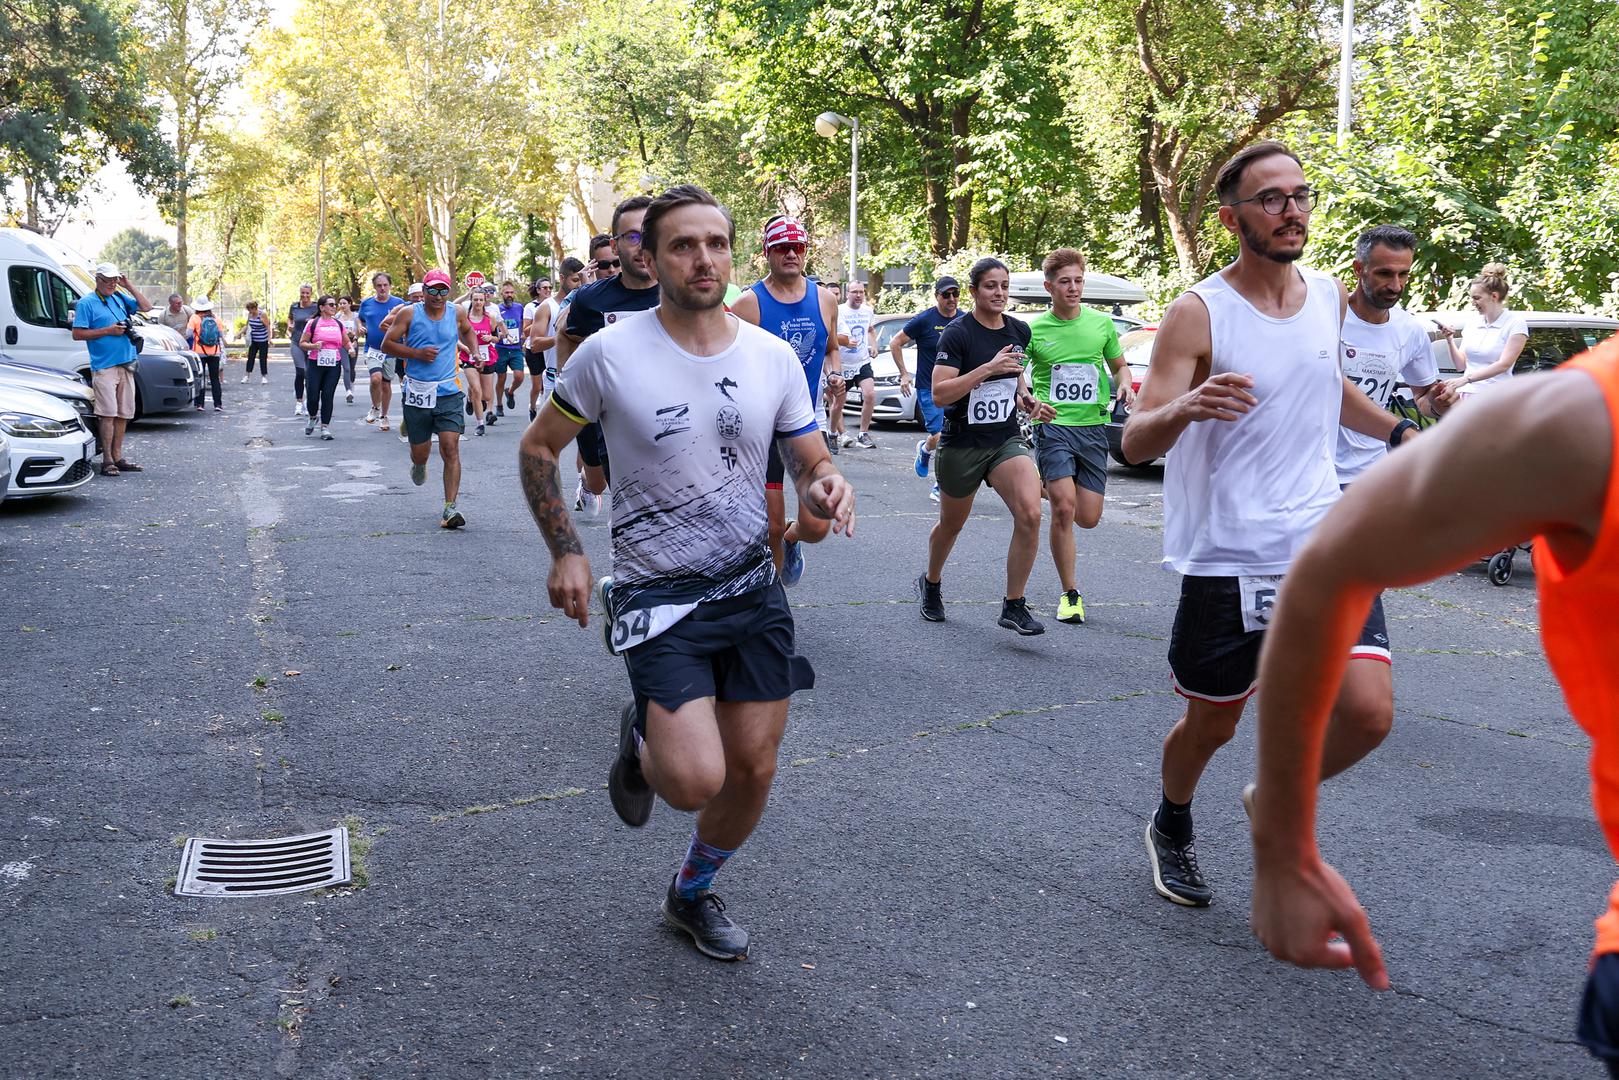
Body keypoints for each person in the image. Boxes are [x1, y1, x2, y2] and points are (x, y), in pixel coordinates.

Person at [1247, 337, 1619, 1076]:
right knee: (1345, 712)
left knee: (1368, 713)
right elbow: (1330, 562)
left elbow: (1418, 392)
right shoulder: (1585, 418)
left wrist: (1417, 416)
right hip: (1269, 524)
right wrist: (1282, 843)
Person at [518, 184, 854, 961]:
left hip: (750, 586)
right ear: (651, 255)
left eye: (715, 243)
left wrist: (826, 486)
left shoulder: (769, 356)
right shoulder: (610, 352)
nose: (702, 258)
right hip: (655, 594)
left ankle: (691, 893)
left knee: (754, 768)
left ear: (731, 254)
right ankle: (642, 741)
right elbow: (539, 447)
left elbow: (809, 457)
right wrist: (566, 549)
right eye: (681, 245)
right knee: (692, 782)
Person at [1119, 141, 1419, 908]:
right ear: (1232, 218)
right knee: (1210, 728)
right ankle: (1171, 822)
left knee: (1368, 712)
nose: (1292, 211)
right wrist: (1184, 407)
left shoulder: (1323, 293)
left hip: (1323, 538)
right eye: (1272, 199)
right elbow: (1135, 437)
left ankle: (1276, 795)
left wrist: (1395, 433)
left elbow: (1327, 382)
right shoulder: (1198, 312)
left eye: (1300, 196)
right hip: (1230, 556)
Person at [916, 257, 1048, 635]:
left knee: (1030, 512)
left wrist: (1028, 400)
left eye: (1004, 286)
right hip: (963, 442)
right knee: (951, 524)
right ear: (974, 291)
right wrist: (986, 369)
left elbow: (1016, 377)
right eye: (991, 286)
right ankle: (932, 581)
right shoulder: (957, 334)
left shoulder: (1019, 330)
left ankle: (1014, 604)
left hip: (1004, 439)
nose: (1000, 293)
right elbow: (941, 394)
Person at [731, 215, 842, 585]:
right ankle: (773, 603)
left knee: (817, 522)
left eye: (798, 247)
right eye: (782, 247)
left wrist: (835, 373)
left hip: (807, 422)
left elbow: (830, 348)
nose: (791, 254)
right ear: (767, 253)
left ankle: (796, 540)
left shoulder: (825, 299)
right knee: (771, 526)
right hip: (763, 426)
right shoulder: (748, 304)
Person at [1023, 249, 1133, 624]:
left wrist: (1126, 385)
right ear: (1049, 287)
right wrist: (1030, 400)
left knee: (1088, 517)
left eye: (1078, 281)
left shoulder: (1101, 325)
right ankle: (1071, 594)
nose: (1073, 288)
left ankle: (1034, 483)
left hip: (1092, 429)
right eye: (1065, 282)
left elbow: (1120, 367)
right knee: (1064, 509)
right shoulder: (1033, 330)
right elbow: (1015, 375)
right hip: (1053, 427)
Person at [554, 197, 659, 511]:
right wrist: (568, 386)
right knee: (599, 484)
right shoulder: (590, 299)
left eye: (650, 234)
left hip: (674, 425)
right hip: (611, 421)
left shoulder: (683, 291)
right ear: (616, 245)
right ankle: (587, 482)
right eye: (632, 237)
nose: (642, 246)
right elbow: (566, 335)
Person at [1336, 225, 1453, 487]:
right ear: (1359, 269)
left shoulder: (1410, 330)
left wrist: (1437, 402)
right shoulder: (1329, 316)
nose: (1395, 285)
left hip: (1370, 473)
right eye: (1384, 274)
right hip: (1316, 473)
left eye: (1404, 275)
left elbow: (1423, 398)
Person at [381, 269, 479, 528]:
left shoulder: (456, 312)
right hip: (418, 392)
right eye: (432, 290)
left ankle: (450, 509)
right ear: (423, 291)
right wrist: (416, 353)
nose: (437, 295)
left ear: (449, 292)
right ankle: (418, 463)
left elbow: (468, 331)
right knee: (420, 453)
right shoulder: (409, 314)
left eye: (443, 290)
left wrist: (476, 351)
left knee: (450, 447)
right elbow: (387, 344)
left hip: (449, 391)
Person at [70, 263, 151, 476]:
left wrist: (128, 286)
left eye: (115, 280)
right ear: (98, 280)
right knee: (107, 414)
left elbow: (146, 307)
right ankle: (107, 460)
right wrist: (109, 331)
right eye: (108, 280)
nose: (112, 284)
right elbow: (77, 333)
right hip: (104, 366)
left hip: (127, 364)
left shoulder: (118, 297)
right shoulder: (86, 303)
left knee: (124, 414)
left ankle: (118, 457)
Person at [890, 276, 962, 502]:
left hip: (957, 388)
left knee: (952, 436)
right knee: (942, 436)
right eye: (946, 294)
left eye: (955, 294)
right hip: (928, 388)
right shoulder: (924, 320)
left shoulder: (965, 320)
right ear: (937, 296)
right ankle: (941, 485)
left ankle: (924, 449)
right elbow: (895, 342)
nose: (951, 299)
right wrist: (903, 374)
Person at [1439, 262, 1529, 400]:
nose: (1473, 303)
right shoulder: (1473, 322)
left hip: (1496, 396)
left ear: (1494, 296)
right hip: (1467, 394)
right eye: (1472, 298)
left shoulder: (1515, 323)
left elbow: (1504, 365)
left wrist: (1466, 379)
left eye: (1477, 298)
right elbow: (1460, 365)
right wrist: (1450, 340)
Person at [526, 258, 583, 420]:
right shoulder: (546, 307)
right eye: (575, 280)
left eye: (581, 280)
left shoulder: (586, 304)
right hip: (554, 379)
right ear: (562, 278)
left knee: (588, 441)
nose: (579, 285)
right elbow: (535, 344)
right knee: (550, 438)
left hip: (582, 378)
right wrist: (562, 337)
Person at [828, 281, 878, 448]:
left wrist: (874, 346)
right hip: (842, 364)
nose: (858, 295)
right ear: (847, 293)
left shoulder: (867, 311)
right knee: (838, 404)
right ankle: (833, 433)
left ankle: (863, 434)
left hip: (862, 361)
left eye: (861, 292)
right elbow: (830, 335)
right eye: (855, 292)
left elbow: (870, 329)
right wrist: (844, 342)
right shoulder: (839, 310)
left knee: (870, 394)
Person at [299, 295, 352, 439]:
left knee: (328, 395)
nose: (334, 307)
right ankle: (312, 417)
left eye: (335, 304)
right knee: (312, 394)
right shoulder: (312, 323)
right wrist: (314, 346)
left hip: (333, 364)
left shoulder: (338, 324)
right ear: (322, 307)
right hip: (315, 363)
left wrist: (351, 349)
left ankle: (325, 428)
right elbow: (302, 343)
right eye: (330, 304)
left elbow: (346, 342)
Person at [358, 272, 404, 431]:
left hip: (391, 349)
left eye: (385, 285)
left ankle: (384, 416)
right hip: (372, 349)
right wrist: (359, 326)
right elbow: (360, 318)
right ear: (374, 287)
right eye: (379, 285)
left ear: (390, 286)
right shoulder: (367, 303)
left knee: (386, 384)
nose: (382, 288)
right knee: (375, 378)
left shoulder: (399, 303)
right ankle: (374, 407)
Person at [459, 286, 497, 435]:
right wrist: (466, 348)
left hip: (487, 355)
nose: (478, 302)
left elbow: (497, 337)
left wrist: (491, 338)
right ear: (471, 300)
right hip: (468, 356)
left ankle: (470, 396)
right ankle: (480, 424)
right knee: (477, 389)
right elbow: (456, 339)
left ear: (485, 300)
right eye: (475, 299)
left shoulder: (490, 318)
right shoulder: (465, 319)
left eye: (481, 299)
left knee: (486, 396)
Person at [494, 280, 527, 416]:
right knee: (501, 377)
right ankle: (499, 405)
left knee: (519, 376)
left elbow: (524, 325)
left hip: (515, 348)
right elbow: (492, 328)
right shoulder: (496, 309)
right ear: (502, 293)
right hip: (501, 348)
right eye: (507, 292)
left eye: (512, 292)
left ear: (515, 294)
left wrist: (524, 334)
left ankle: (510, 391)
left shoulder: (520, 308)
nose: (509, 295)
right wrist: (499, 334)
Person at [187, 298, 226, 412]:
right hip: (215, 352)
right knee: (215, 378)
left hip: (199, 352)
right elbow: (220, 334)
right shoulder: (216, 318)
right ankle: (218, 404)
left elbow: (189, 334)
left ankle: (200, 404)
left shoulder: (194, 318)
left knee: (200, 378)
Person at [287, 285, 319, 416]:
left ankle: (309, 403)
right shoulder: (294, 306)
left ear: (311, 294)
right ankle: (299, 402)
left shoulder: (316, 307)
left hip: (311, 344)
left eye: (307, 293)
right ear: (299, 293)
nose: (305, 296)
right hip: (296, 342)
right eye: (302, 293)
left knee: (310, 374)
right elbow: (290, 318)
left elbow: (322, 320)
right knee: (301, 372)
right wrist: (289, 324)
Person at [336, 296, 360, 404]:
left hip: (353, 343)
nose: (342, 305)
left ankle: (351, 383)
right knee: (346, 368)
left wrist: (354, 336)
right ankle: (348, 391)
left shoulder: (356, 316)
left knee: (352, 368)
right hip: (342, 344)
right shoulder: (337, 317)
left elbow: (359, 330)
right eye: (340, 303)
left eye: (344, 303)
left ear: (349, 304)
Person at [242, 300, 271, 384]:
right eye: (248, 310)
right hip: (253, 340)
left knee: (262, 358)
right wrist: (239, 333)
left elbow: (267, 326)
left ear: (255, 308)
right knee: (250, 358)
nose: (250, 311)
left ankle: (264, 377)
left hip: (263, 340)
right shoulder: (250, 315)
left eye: (251, 309)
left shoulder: (262, 314)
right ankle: (247, 376)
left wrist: (269, 339)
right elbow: (247, 326)